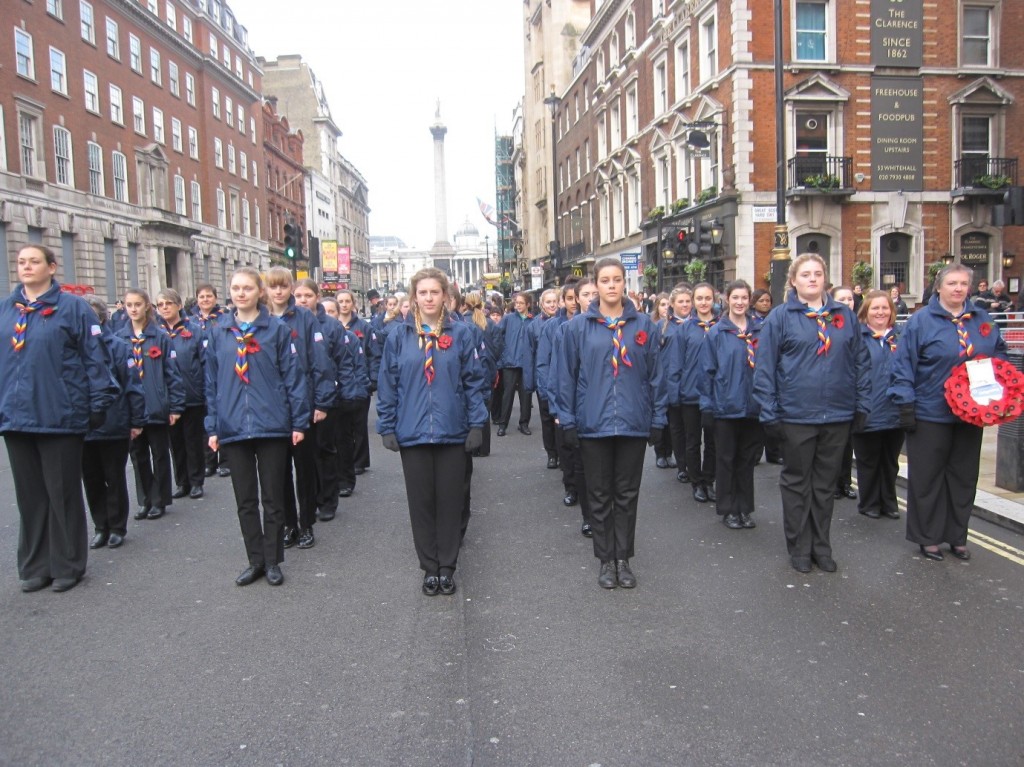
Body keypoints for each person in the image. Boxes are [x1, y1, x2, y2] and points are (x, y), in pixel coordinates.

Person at [0, 245, 118, 592]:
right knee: (30, 496)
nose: (26, 267)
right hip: (17, 416)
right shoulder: (7, 309)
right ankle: (36, 565)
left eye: (34, 261)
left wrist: (98, 402)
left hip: (60, 414)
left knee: (62, 492)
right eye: (21, 262)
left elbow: (94, 359)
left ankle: (68, 563)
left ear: (52, 267)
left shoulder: (73, 308)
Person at [753, 253, 870, 574]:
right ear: (793, 281)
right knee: (796, 483)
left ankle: (822, 545)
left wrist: (861, 405)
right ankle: (799, 547)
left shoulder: (844, 316)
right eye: (805, 274)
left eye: (818, 273)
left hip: (837, 414)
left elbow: (860, 363)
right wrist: (770, 412)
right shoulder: (780, 317)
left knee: (824, 484)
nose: (812, 279)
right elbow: (765, 369)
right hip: (796, 415)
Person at [556, 258, 666, 590]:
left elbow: (657, 377)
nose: (612, 285)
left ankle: (624, 558)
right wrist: (569, 421)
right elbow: (566, 377)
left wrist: (658, 418)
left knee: (627, 493)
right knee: (600, 493)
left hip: (632, 421)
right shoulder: (577, 328)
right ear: (596, 285)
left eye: (617, 279)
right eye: (605, 280)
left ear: (624, 284)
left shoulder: (644, 324)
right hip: (594, 422)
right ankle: (606, 559)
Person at [376, 267, 487, 596]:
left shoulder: (461, 334)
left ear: (445, 297)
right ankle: (429, 567)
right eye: (422, 293)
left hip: (452, 430)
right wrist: (387, 425)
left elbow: (473, 381)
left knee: (450, 502)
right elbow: (388, 384)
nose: (428, 298)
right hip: (412, 432)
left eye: (434, 292)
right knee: (421, 502)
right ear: (414, 298)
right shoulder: (399, 336)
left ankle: (447, 566)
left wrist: (476, 424)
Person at [890, 264, 1007, 561]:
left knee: (964, 477)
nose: (958, 289)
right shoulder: (920, 322)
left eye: (963, 283)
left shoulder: (982, 320)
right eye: (952, 283)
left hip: (972, 413)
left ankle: (957, 536)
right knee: (927, 477)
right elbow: (903, 364)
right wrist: (905, 404)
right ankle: (927, 537)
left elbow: (1000, 355)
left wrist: (999, 387)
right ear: (939, 287)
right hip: (931, 412)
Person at [206, 267, 309, 586]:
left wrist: (298, 421)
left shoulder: (276, 330)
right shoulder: (218, 331)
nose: (241, 293)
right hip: (233, 425)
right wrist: (213, 426)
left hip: (272, 424)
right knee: (245, 499)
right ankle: (255, 559)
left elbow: (293, 377)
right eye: (235, 288)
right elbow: (210, 382)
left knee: (273, 497)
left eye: (247, 288)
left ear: (258, 292)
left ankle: (273, 558)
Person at [265, 267, 333, 550]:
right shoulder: (260, 319)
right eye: (273, 287)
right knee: (276, 472)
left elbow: (320, 361)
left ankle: (306, 524)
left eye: (283, 287)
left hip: (301, 402)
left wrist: (321, 402)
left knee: (304, 469)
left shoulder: (304, 317)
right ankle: (288, 525)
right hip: (270, 406)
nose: (279, 292)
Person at [294, 279, 368, 526]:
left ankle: (328, 500)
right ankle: (309, 501)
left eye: (307, 295)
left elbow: (343, 364)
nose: (303, 300)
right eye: (299, 295)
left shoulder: (332, 327)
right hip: (298, 401)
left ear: (317, 296)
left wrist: (346, 395)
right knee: (303, 457)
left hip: (327, 399)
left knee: (325, 450)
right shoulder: (288, 323)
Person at [81, 297, 145, 550]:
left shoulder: (118, 346)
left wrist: (137, 419)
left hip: (114, 422)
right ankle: (100, 526)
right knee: (92, 479)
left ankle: (117, 526)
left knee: (114, 476)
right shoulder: (74, 346)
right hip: (84, 426)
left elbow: (133, 385)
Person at [699, 280, 762, 530]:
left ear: (749, 301)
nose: (739, 302)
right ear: (727, 299)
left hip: (753, 407)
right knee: (726, 459)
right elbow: (707, 372)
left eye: (744, 298)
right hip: (725, 406)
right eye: (735, 297)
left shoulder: (760, 331)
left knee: (746, 461)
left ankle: (744, 508)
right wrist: (707, 406)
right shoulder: (716, 333)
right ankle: (728, 509)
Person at [120, 288, 185, 521]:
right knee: (138, 456)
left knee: (159, 454)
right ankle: (145, 499)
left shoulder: (160, 337)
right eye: (129, 305)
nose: (134, 309)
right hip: (133, 409)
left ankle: (160, 499)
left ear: (147, 306)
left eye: (138, 304)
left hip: (156, 405)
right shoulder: (121, 338)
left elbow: (172, 374)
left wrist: (175, 406)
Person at [547, 278, 596, 537]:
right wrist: (559, 410)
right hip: (577, 408)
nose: (591, 298)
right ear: (577, 299)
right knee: (582, 465)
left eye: (594, 293)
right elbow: (559, 373)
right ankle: (589, 515)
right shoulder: (566, 330)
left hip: (604, 408)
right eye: (586, 294)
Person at [854, 290, 903, 521]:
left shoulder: (901, 337)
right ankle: (869, 502)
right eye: (875, 308)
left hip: (895, 409)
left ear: (892, 312)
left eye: (885, 308)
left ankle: (889, 502)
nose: (880, 312)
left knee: (890, 462)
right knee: (868, 461)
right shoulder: (857, 338)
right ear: (866, 312)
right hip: (867, 409)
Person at [156, 289, 207, 501]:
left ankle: (196, 480)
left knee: (192, 440)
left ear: (178, 306)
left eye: (169, 303)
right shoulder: (157, 334)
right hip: (167, 397)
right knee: (175, 443)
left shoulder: (194, 331)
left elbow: (204, 363)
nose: (165, 307)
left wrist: (204, 391)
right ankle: (182, 481)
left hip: (192, 394)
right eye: (160, 305)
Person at [677, 282, 718, 503]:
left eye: (707, 298)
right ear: (694, 301)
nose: (703, 302)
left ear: (714, 300)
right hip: (691, 393)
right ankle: (696, 482)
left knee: (713, 441)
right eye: (699, 298)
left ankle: (709, 480)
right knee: (692, 441)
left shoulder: (721, 326)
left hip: (714, 394)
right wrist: (676, 392)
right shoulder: (685, 328)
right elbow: (677, 362)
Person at [192, 283, 229, 478]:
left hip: (219, 371)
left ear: (215, 298)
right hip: (200, 375)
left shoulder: (223, 320)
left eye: (209, 296)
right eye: (201, 296)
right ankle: (209, 460)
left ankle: (225, 460)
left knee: (221, 415)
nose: (205, 300)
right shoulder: (191, 322)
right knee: (206, 420)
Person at [661, 286, 693, 482]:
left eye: (687, 301)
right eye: (680, 301)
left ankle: (693, 464)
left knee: (693, 431)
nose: (684, 305)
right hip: (670, 382)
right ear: (672, 304)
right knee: (677, 428)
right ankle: (682, 465)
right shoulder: (663, 327)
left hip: (691, 383)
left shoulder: (698, 326)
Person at [831, 286, 859, 502]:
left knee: (846, 444)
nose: (847, 303)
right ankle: (832, 483)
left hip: (848, 393)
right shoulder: (831, 323)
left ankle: (845, 482)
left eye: (850, 299)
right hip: (832, 392)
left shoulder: (855, 324)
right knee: (832, 447)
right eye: (842, 299)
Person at [496, 292, 535, 437]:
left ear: (528, 305)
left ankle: (524, 424)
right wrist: (503, 353)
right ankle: (502, 424)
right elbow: (497, 335)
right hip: (510, 362)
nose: (517, 305)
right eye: (516, 302)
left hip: (526, 363)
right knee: (508, 394)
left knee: (526, 395)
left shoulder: (533, 321)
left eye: (521, 303)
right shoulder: (508, 319)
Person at [529, 289, 560, 466]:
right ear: (541, 304)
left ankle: (563, 453)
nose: (552, 305)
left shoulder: (565, 323)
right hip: (543, 378)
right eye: (548, 302)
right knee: (547, 419)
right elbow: (532, 354)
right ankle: (552, 454)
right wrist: (532, 382)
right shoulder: (534, 326)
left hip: (559, 378)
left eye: (554, 301)